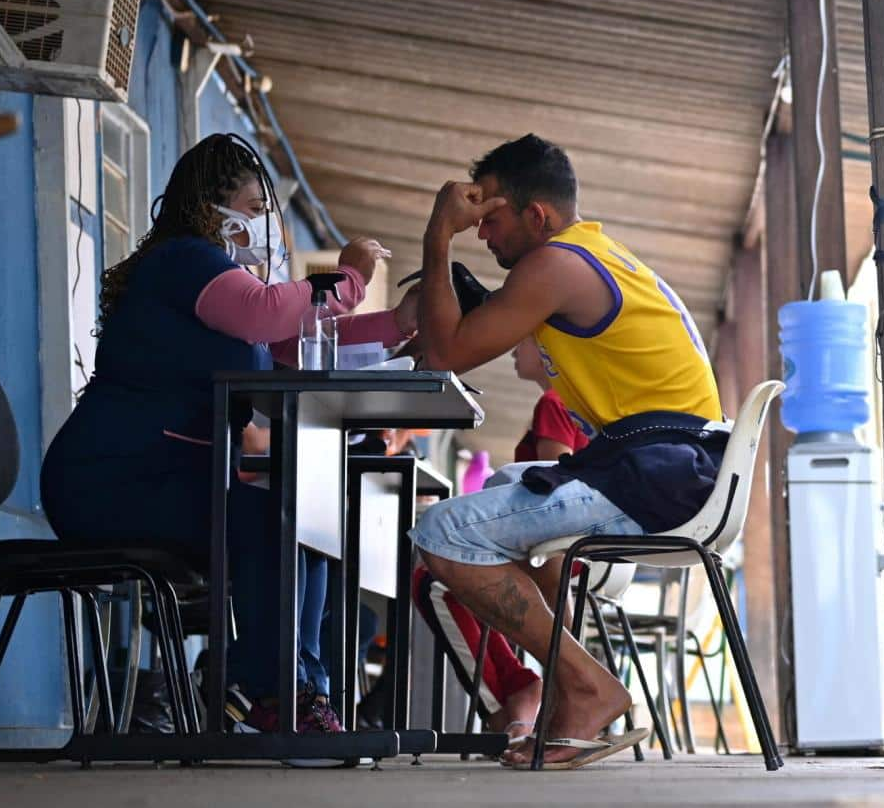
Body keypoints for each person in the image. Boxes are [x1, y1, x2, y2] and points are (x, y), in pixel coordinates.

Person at [40, 133, 411, 735]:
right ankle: (266, 689)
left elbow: (291, 343)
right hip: (111, 483)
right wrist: (348, 279)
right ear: (212, 208)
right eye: (256, 208)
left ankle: (297, 692)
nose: (265, 225)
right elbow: (265, 311)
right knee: (277, 521)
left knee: (305, 525)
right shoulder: (185, 259)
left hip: (168, 481)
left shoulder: (225, 292)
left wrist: (397, 324)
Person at [407, 134, 724, 770]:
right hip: (672, 467)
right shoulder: (598, 252)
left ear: (537, 216)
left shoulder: (553, 265)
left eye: (489, 220)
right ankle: (565, 688)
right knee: (505, 479)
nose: (482, 235)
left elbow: (443, 355)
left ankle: (587, 687)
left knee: (438, 534)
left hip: (656, 474)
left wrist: (437, 235)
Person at [411, 337, 591, 741]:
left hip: (559, 551)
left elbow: (553, 489)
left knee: (433, 582)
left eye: (525, 341)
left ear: (552, 353)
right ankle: (515, 688)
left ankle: (505, 704)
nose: (513, 348)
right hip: (588, 552)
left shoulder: (554, 403)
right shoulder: (580, 404)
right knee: (455, 573)